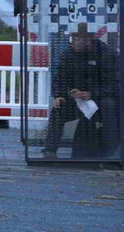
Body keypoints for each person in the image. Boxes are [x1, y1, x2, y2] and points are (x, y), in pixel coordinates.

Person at [42, 28, 110, 158]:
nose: (75, 43)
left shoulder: (105, 54)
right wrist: (60, 95)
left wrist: (93, 94)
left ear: (90, 40)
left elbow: (113, 84)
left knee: (92, 115)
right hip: (78, 99)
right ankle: (50, 150)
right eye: (75, 39)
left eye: (79, 39)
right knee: (58, 109)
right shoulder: (69, 54)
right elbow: (61, 78)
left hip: (100, 100)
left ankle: (84, 153)